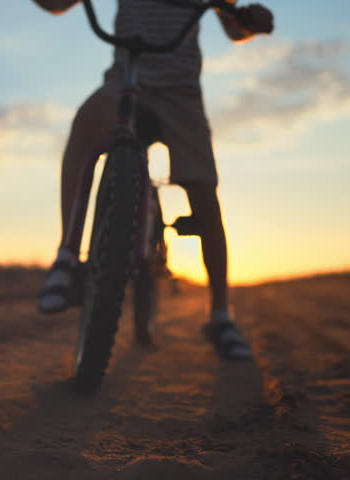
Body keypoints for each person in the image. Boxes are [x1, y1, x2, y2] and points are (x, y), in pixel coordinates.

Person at [33, 0, 273, 360]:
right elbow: (57, 4)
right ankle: (66, 257)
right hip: (126, 78)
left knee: (205, 196)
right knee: (85, 129)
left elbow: (233, 24)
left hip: (182, 92)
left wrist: (249, 21)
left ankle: (221, 315)